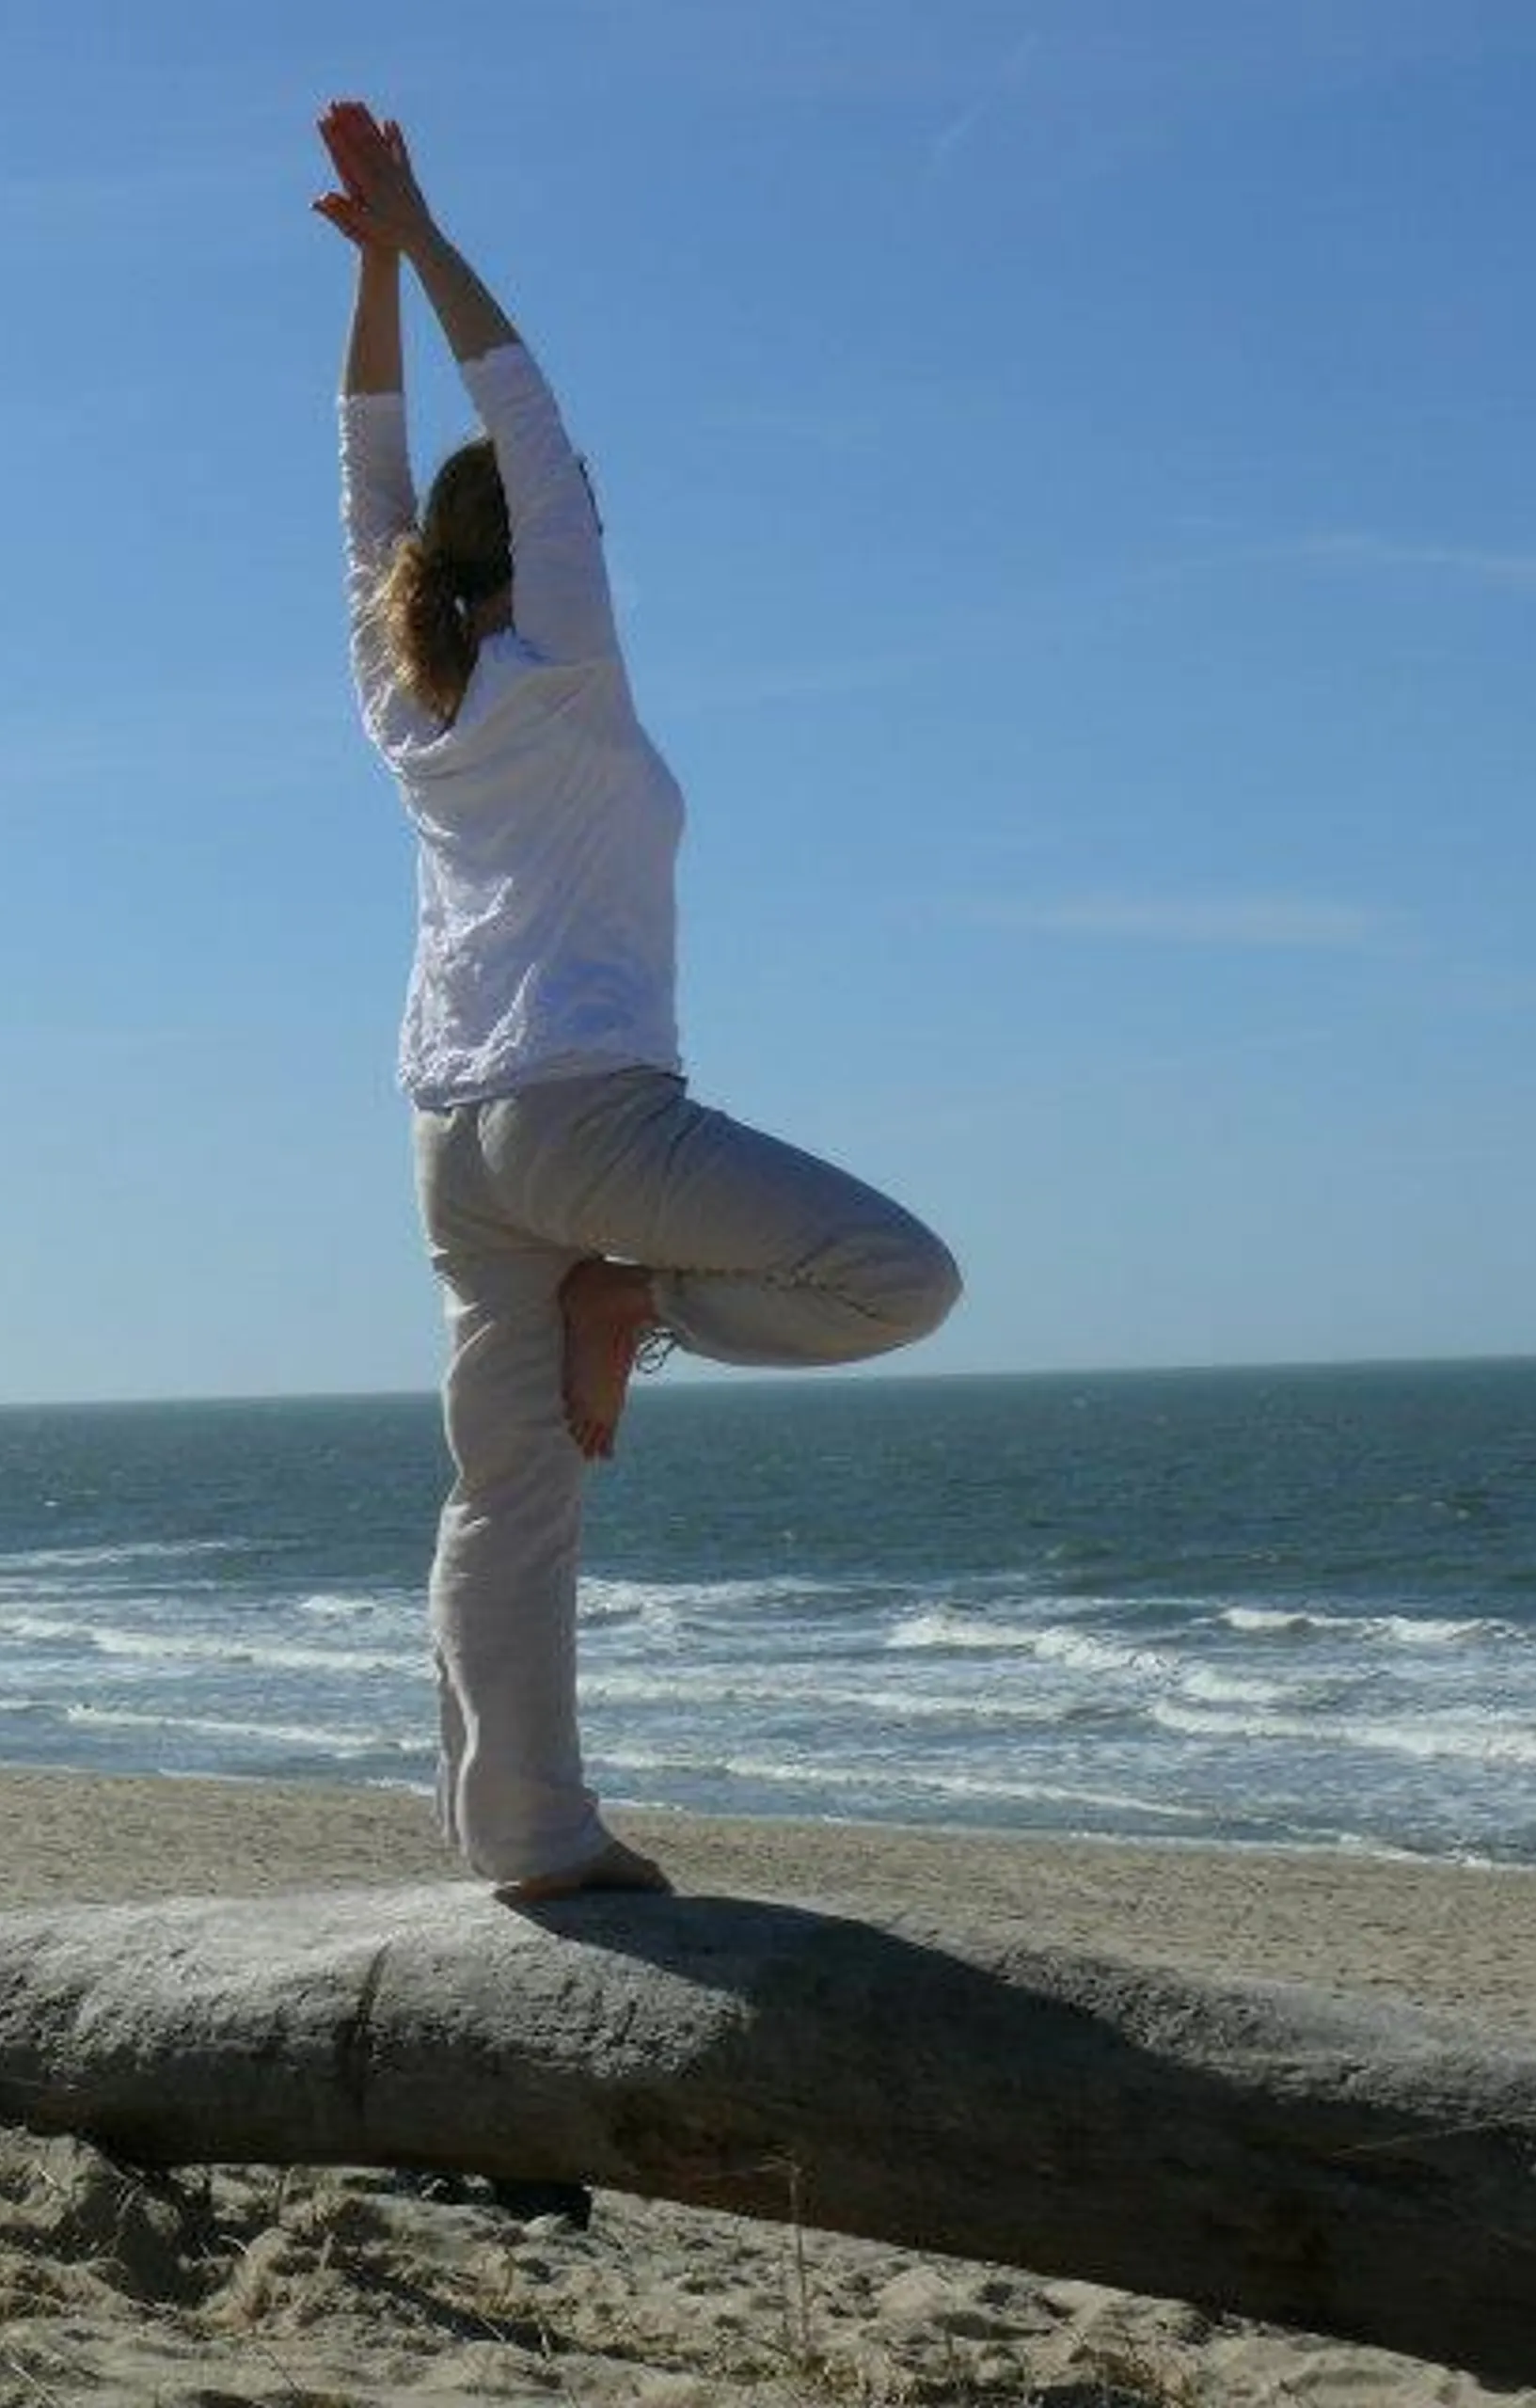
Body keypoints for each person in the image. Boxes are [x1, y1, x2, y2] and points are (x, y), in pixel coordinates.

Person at [315, 101, 964, 1903]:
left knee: (506, 1504)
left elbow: (363, 476)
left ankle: (524, 1847)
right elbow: (527, 420)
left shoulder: (413, 701)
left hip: (452, 1141)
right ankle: (646, 1297)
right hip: (591, 1116)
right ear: (542, 540)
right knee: (901, 1279)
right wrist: (422, 241)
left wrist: (366, 272)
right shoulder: (569, 658)